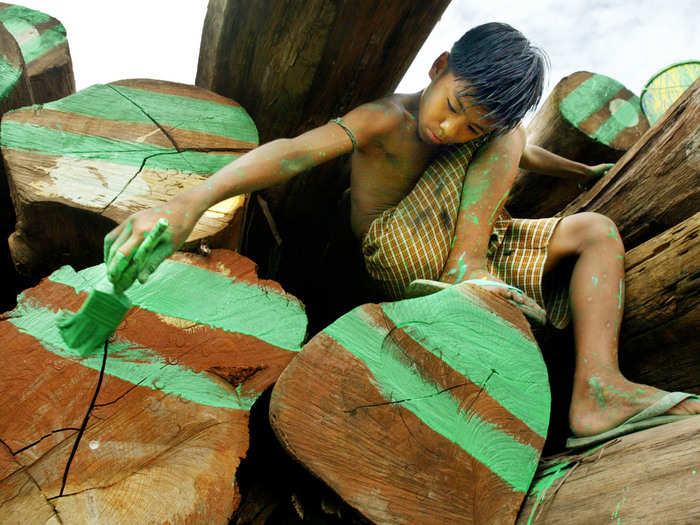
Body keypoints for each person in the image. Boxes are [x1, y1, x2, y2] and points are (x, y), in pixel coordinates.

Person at [104, 22, 699, 445]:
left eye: (472, 126)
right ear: (439, 67)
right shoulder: (388, 118)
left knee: (596, 230)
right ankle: (468, 272)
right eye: (453, 105)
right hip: (403, 253)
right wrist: (188, 201)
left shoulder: (484, 133)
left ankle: (598, 391)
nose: (453, 128)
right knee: (508, 136)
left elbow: (529, 152)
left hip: (476, 248)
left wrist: (584, 172)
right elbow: (290, 154)